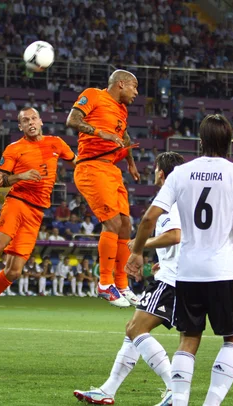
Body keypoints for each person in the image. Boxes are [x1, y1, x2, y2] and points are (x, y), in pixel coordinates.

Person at [126, 115, 233, 406]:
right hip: (223, 271)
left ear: (200, 143)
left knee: (188, 341)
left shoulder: (181, 173)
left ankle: (178, 402)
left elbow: (150, 218)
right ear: (230, 144)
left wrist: (137, 251)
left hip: (187, 274)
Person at [74, 152, 184, 406]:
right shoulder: (186, 199)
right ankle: (108, 389)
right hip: (174, 274)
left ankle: (172, 389)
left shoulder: (170, 200)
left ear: (161, 173)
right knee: (132, 330)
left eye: (156, 169)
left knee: (136, 329)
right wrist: (165, 258)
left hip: (172, 281)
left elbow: (175, 235)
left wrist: (140, 244)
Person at [0, 107, 76, 339]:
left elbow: (77, 162)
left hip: (37, 212)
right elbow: (1, 180)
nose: (30, 122)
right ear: (20, 126)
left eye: (33, 118)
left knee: (14, 270)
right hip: (17, 202)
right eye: (24, 120)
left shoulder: (56, 143)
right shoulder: (14, 149)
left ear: (41, 121)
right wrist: (20, 176)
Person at [66, 69, 141, 308]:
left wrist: (130, 162)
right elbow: (73, 121)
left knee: (126, 224)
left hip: (111, 169)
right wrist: (100, 132)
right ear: (121, 84)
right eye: (134, 87)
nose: (136, 93)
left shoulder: (121, 109)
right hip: (91, 167)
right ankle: (105, 284)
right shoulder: (94, 96)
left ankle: (121, 283)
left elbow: (124, 135)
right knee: (113, 223)